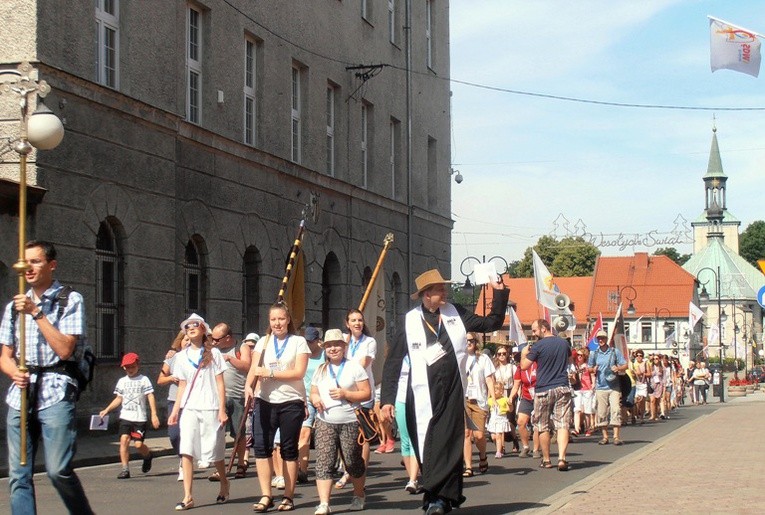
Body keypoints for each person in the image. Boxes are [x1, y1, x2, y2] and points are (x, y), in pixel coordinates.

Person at [381, 269, 509, 515]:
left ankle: (440, 499)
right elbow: (393, 361)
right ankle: (434, 496)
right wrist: (387, 399)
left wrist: (499, 292)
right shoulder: (409, 321)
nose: (445, 292)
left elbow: (490, 322)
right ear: (426, 295)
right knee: (427, 445)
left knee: (449, 445)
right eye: (440, 289)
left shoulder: (455, 313)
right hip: (420, 394)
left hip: (452, 390)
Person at [0, 240, 94, 515]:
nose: (28, 267)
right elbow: (4, 354)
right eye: (25, 262)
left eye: (36, 261)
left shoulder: (69, 300)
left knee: (58, 470)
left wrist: (36, 312)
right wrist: (12, 371)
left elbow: (66, 349)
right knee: (18, 474)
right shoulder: (12, 308)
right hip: (21, 394)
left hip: (56, 389)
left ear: (51, 265)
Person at [245, 302, 310, 513]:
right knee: (262, 448)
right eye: (273, 319)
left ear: (288, 319)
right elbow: (255, 369)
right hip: (264, 400)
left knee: (289, 449)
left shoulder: (298, 342)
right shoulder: (263, 342)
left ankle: (288, 496)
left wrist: (270, 373)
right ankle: (266, 495)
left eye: (281, 319)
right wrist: (248, 387)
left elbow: (298, 372)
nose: (277, 323)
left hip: (291, 401)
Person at [168, 313, 229, 510]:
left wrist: (222, 409)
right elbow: (182, 386)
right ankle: (188, 496)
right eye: (187, 326)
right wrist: (175, 411)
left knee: (215, 451)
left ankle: (224, 482)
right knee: (187, 450)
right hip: (190, 408)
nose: (191, 328)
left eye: (195, 325)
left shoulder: (215, 354)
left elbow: (220, 383)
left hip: (210, 406)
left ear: (203, 329)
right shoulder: (180, 357)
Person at [309, 328, 370, 514]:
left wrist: (346, 394)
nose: (333, 348)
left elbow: (367, 393)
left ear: (344, 347)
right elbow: (313, 391)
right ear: (324, 347)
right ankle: (324, 503)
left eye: (337, 345)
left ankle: (359, 494)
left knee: (352, 461)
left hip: (350, 420)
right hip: (325, 421)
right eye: (329, 345)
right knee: (324, 462)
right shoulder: (321, 369)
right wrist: (315, 399)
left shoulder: (354, 367)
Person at [520, 319, 573, 472]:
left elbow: (524, 366)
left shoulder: (538, 346)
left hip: (543, 389)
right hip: (562, 387)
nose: (534, 334)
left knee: (543, 426)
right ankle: (562, 458)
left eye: (535, 330)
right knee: (563, 424)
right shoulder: (564, 343)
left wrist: (524, 354)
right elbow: (570, 361)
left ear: (543, 329)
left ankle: (547, 459)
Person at [99, 352, 160, 478]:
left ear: (138, 365)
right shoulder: (122, 381)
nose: (130, 370)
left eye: (132, 366)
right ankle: (125, 469)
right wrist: (107, 410)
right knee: (124, 440)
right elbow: (119, 398)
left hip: (139, 418)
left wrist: (154, 414)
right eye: (127, 367)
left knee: (138, 444)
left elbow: (150, 396)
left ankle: (148, 456)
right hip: (126, 417)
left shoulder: (144, 380)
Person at [336, 309, 378, 490]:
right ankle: (348, 470)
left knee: (363, 437)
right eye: (353, 320)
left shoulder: (370, 342)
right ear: (347, 323)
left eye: (360, 320)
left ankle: (360, 473)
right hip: (343, 394)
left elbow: (364, 364)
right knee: (344, 435)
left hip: (362, 393)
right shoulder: (343, 341)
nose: (357, 323)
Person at [208, 323, 253, 481]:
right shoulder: (213, 350)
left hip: (236, 395)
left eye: (217, 339)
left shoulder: (242, 347)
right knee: (217, 433)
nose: (213, 342)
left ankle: (241, 464)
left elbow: (248, 366)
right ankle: (219, 468)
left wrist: (229, 358)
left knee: (238, 432)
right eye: (211, 338)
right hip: (217, 397)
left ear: (228, 337)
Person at [157, 330, 191, 481]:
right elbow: (160, 380)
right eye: (185, 340)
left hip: (192, 401)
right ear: (180, 342)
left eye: (191, 340)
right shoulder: (172, 358)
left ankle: (185, 464)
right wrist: (172, 377)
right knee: (174, 434)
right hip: (174, 400)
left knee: (189, 434)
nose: (188, 342)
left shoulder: (200, 358)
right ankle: (182, 457)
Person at [462, 333, 495, 476]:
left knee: (479, 435)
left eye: (471, 340)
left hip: (479, 400)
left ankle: (482, 455)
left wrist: (492, 397)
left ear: (476, 342)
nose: (468, 343)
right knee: (466, 434)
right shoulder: (459, 358)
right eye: (466, 340)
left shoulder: (483, 359)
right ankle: (468, 466)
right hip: (463, 400)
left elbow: (489, 380)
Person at [587, 330, 628, 445]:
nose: (601, 340)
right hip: (601, 386)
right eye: (599, 338)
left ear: (607, 339)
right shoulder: (594, 354)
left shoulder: (614, 352)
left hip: (614, 386)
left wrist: (618, 368)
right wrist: (593, 369)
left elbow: (625, 365)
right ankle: (605, 437)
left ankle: (616, 436)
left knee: (616, 410)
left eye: (603, 338)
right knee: (601, 412)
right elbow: (589, 368)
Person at [298, 326, 323, 485]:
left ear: (317, 341)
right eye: (305, 341)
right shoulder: (301, 354)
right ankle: (303, 470)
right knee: (304, 434)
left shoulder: (325, 354)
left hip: (323, 398)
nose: (308, 344)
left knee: (326, 435)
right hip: (304, 397)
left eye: (310, 341)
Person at [395, 354, 422, 494]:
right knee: (404, 440)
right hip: (400, 400)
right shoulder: (398, 356)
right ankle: (413, 477)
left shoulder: (421, 352)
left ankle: (412, 479)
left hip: (418, 400)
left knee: (414, 440)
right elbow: (391, 379)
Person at [509, 350, 539, 458]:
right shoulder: (519, 369)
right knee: (521, 422)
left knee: (536, 423)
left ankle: (536, 449)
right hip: (526, 397)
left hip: (538, 396)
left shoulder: (538, 364)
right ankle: (525, 446)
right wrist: (510, 397)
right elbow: (516, 385)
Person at [492, 343, 519, 453]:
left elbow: (516, 383)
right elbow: (492, 383)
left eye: (504, 353)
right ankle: (501, 446)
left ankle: (515, 440)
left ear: (507, 355)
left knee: (509, 420)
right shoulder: (494, 368)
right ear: (497, 356)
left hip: (509, 392)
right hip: (498, 395)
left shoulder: (512, 367)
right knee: (499, 420)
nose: (502, 356)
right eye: (499, 354)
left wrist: (513, 396)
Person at [487, 381, 512, 458]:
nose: (494, 391)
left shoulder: (505, 399)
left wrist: (510, 405)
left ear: (501, 391)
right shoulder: (490, 400)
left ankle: (498, 452)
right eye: (493, 390)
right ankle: (499, 447)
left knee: (498, 435)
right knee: (493, 437)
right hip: (493, 420)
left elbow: (510, 409)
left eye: (496, 390)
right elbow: (486, 408)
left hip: (501, 419)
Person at [631, 350, 649, 424]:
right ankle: (635, 414)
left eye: (640, 355)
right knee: (636, 401)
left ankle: (641, 417)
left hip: (643, 383)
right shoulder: (633, 364)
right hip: (636, 383)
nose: (639, 357)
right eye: (637, 355)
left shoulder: (645, 364)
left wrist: (643, 374)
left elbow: (649, 373)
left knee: (642, 401)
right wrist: (635, 373)